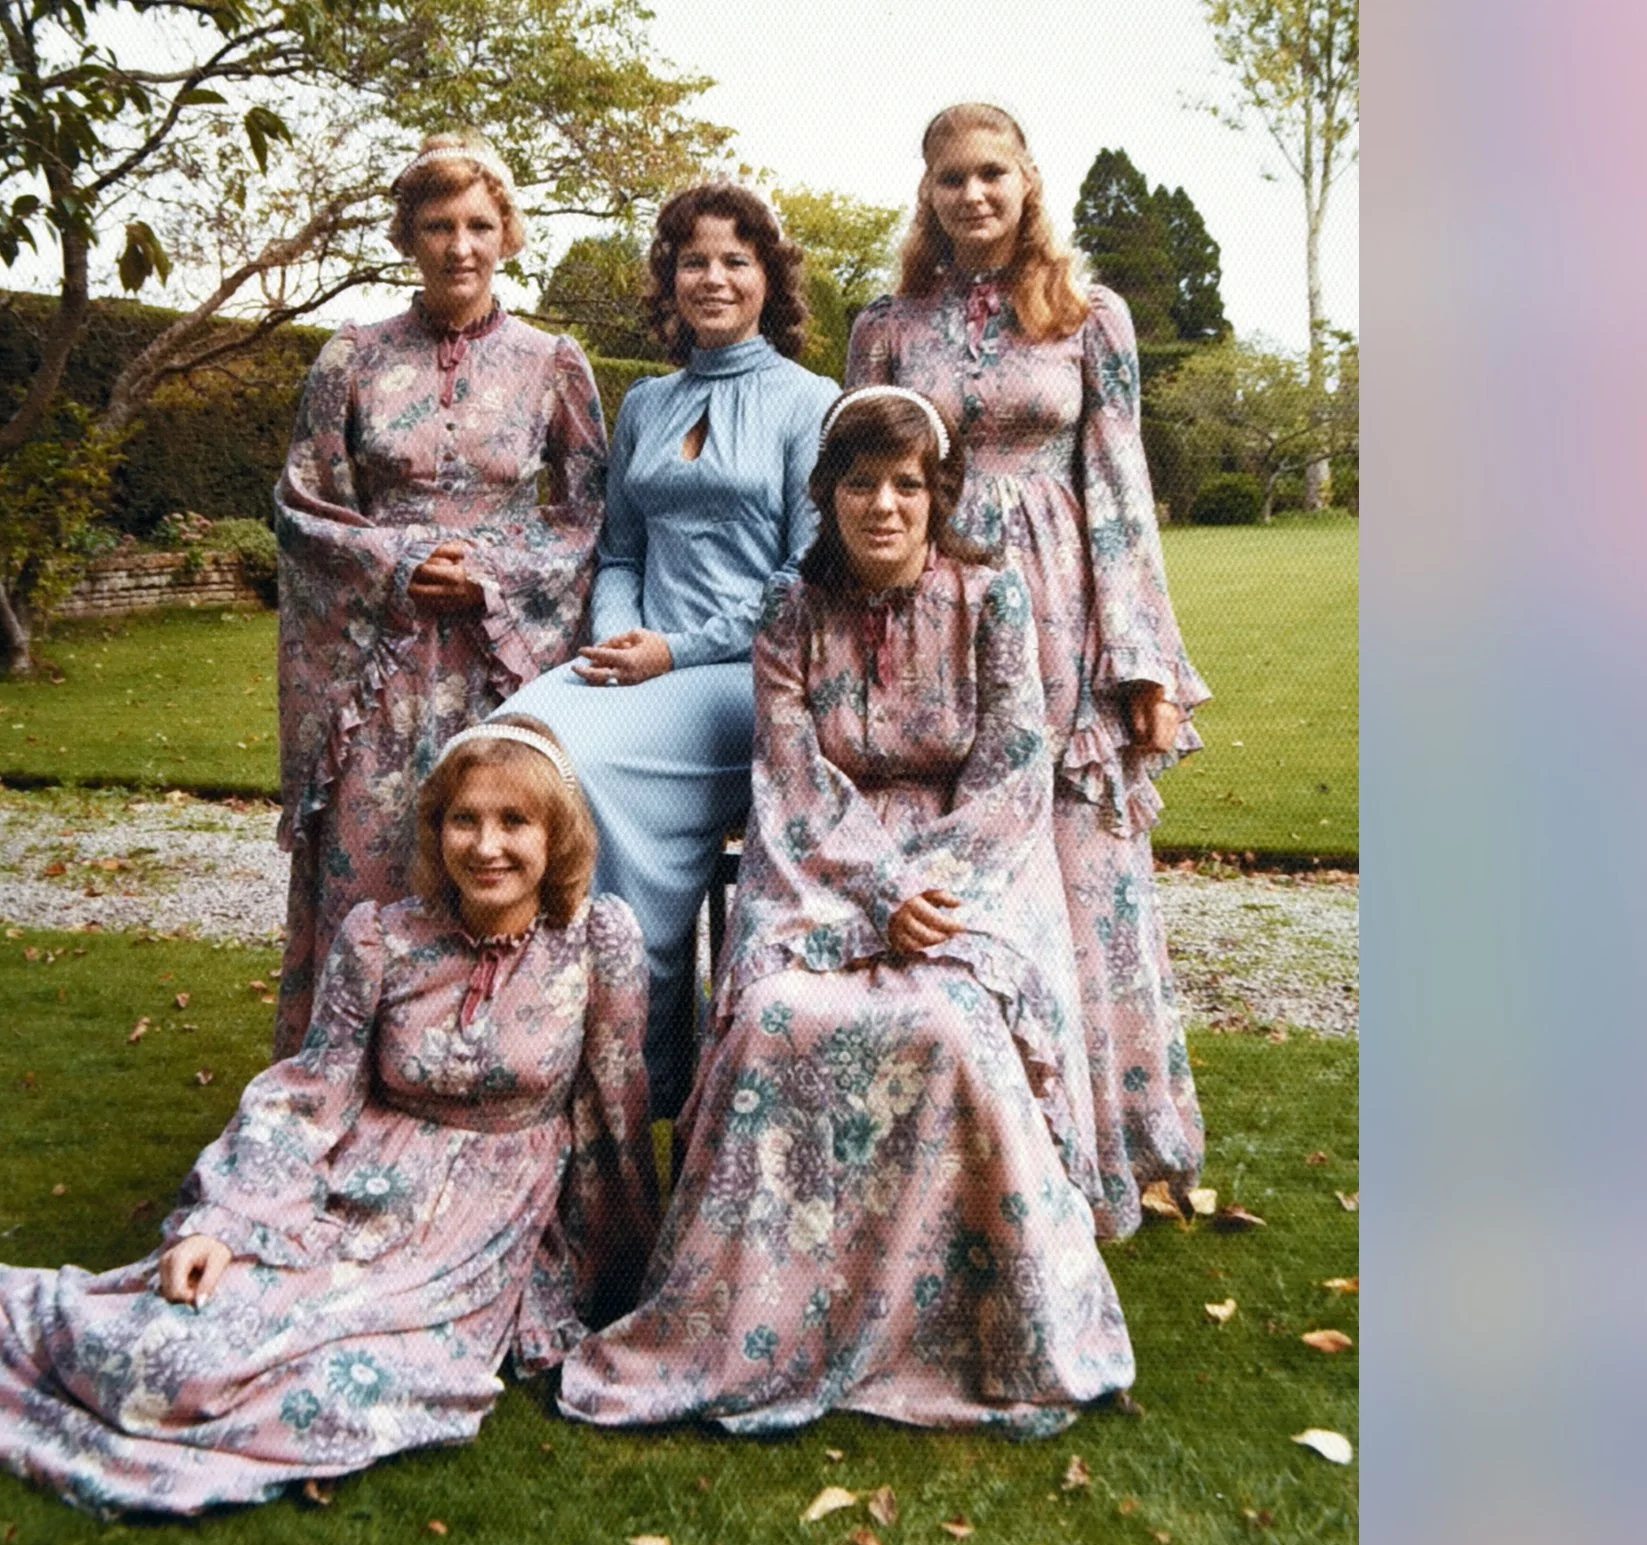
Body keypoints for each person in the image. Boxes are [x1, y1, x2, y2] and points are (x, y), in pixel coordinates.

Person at [0, 716, 658, 1518]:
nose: (486, 845)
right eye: (463, 820)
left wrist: (613, 1272)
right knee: (172, 1355)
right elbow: (309, 1095)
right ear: (435, 832)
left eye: (515, 821)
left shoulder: (596, 943)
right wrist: (222, 1223)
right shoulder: (381, 940)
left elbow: (613, 1106)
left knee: (336, 1392)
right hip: (341, 1203)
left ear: (558, 837)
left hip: (474, 1237)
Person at [558, 390, 1133, 1439]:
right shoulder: (789, 608)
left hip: (973, 868)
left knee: (954, 1024)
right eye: (859, 482)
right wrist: (879, 893)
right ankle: (758, 1321)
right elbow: (793, 780)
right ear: (826, 494)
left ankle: (969, 1315)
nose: (882, 504)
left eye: (906, 485)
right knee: (780, 1013)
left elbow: (1012, 777)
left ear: (936, 495)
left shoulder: (991, 597)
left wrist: (929, 890)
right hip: (818, 863)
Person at [847, 103, 1211, 1237]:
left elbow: (1120, 492)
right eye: (952, 177)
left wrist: (1141, 660)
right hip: (936, 607)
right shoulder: (887, 327)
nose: (973, 195)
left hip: (1059, 605)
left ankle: (1093, 1141)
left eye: (993, 173)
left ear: (1028, 180)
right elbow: (861, 484)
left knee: (1079, 868)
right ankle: (951, 1147)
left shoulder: (1088, 316)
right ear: (929, 191)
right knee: (961, 853)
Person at [498, 182, 837, 1119]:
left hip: (744, 678)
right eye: (695, 261)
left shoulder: (810, 403)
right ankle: (524, 1042)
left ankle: (637, 1071)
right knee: (503, 746)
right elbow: (619, 552)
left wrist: (674, 652)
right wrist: (616, 641)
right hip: (630, 659)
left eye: (737, 260)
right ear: (669, 278)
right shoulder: (645, 402)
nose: (714, 278)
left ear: (769, 278)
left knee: (590, 771)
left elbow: (804, 579)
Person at [272, 132, 607, 1058]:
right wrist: (392, 564)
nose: (460, 246)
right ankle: (345, 1073)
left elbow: (586, 512)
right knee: (369, 858)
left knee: (497, 860)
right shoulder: (352, 356)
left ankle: (487, 1072)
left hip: (497, 662)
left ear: (507, 235)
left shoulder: (553, 360)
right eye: (437, 226)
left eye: (478, 224)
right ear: (406, 238)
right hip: (378, 663)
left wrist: (493, 573)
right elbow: (304, 506)